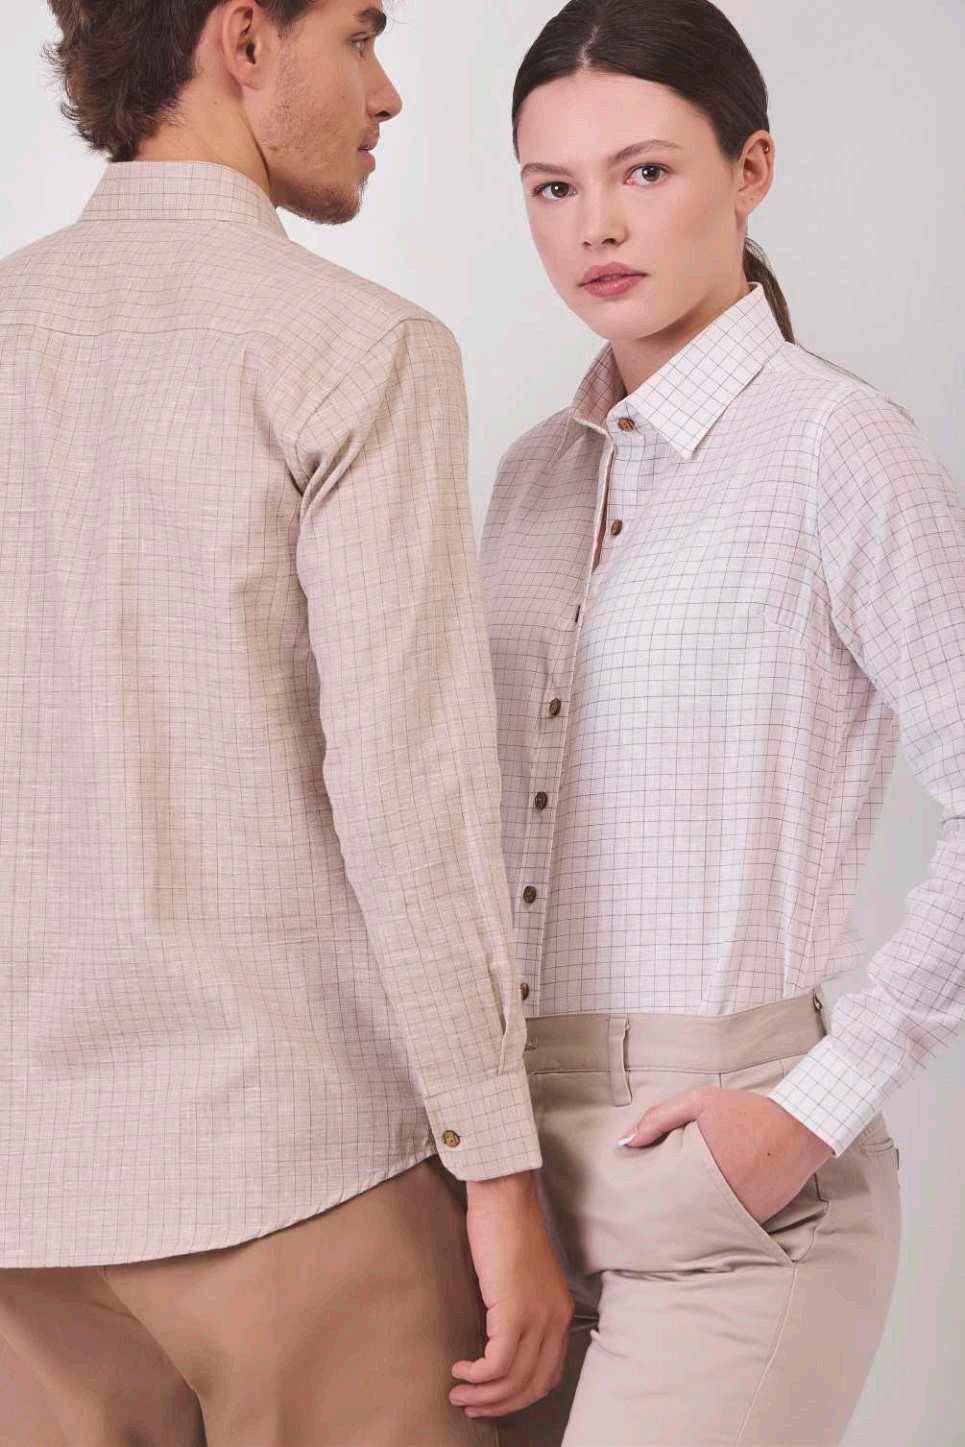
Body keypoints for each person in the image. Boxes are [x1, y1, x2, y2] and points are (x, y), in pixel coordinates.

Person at [0, 1, 572, 1443]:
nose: (386, 95)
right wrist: (499, 1171)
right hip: (299, 1170)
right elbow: (411, 792)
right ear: (243, 40)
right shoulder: (354, 350)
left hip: (28, 1207)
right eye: (361, 37)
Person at [474, 1, 965, 1443]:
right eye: (552, 187)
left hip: (735, 1167)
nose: (594, 226)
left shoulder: (837, 446)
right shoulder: (530, 477)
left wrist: (812, 1107)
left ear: (750, 170)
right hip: (509, 1189)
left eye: (644, 171)